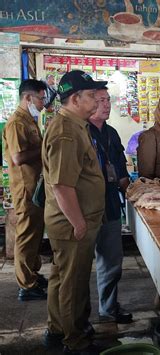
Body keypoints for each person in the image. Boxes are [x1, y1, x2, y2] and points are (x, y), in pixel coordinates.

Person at [42, 70, 107, 354]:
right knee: (73, 283)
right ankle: (75, 341)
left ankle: (58, 329)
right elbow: (62, 185)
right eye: (91, 95)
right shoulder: (66, 131)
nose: (97, 100)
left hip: (74, 220)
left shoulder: (75, 124)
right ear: (75, 98)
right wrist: (79, 223)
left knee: (61, 278)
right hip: (71, 224)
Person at [88, 87, 132, 324]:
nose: (106, 104)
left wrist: (136, 195)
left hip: (111, 205)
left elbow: (122, 172)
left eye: (108, 100)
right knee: (78, 268)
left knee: (112, 262)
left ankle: (108, 307)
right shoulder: (80, 131)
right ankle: (76, 320)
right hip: (84, 209)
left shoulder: (112, 133)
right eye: (99, 100)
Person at [2, 79, 47, 301]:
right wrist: (44, 149)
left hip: (35, 187)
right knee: (26, 236)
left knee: (35, 234)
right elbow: (18, 157)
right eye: (40, 98)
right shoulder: (17, 123)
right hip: (25, 189)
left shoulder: (29, 119)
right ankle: (26, 285)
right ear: (28, 97)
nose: (43, 103)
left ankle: (32, 273)